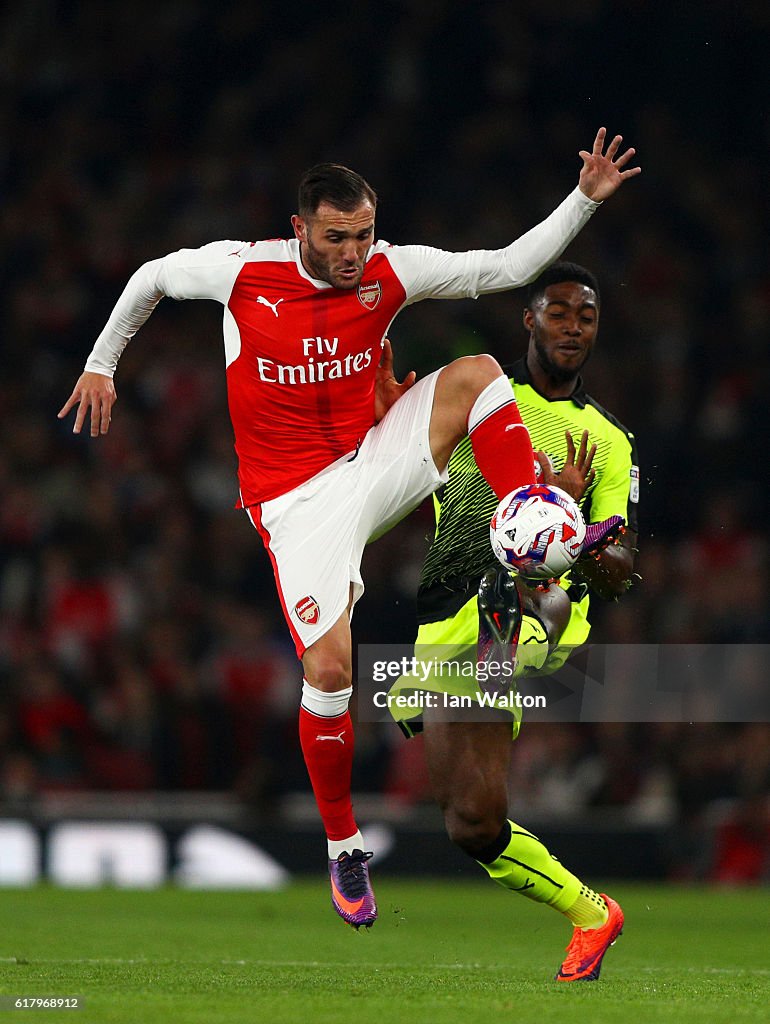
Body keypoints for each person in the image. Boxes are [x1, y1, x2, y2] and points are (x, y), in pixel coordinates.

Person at [58, 131, 640, 930]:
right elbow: (152, 276)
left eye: (364, 234)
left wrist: (584, 199)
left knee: (479, 375)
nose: (353, 252)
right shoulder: (243, 270)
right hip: (294, 501)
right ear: (300, 229)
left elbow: (504, 267)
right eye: (336, 237)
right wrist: (101, 362)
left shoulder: (388, 270)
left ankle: (524, 517)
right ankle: (342, 846)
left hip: (370, 457)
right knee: (331, 672)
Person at [392, 262, 638, 979]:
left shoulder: (607, 440)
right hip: (446, 615)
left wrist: (572, 529)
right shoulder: (471, 396)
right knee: (471, 822)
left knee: (528, 602)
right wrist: (388, 416)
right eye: (558, 313)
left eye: (585, 317)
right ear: (527, 319)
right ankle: (592, 912)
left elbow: (619, 568)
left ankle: (518, 626)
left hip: (530, 619)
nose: (572, 327)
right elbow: (403, 469)